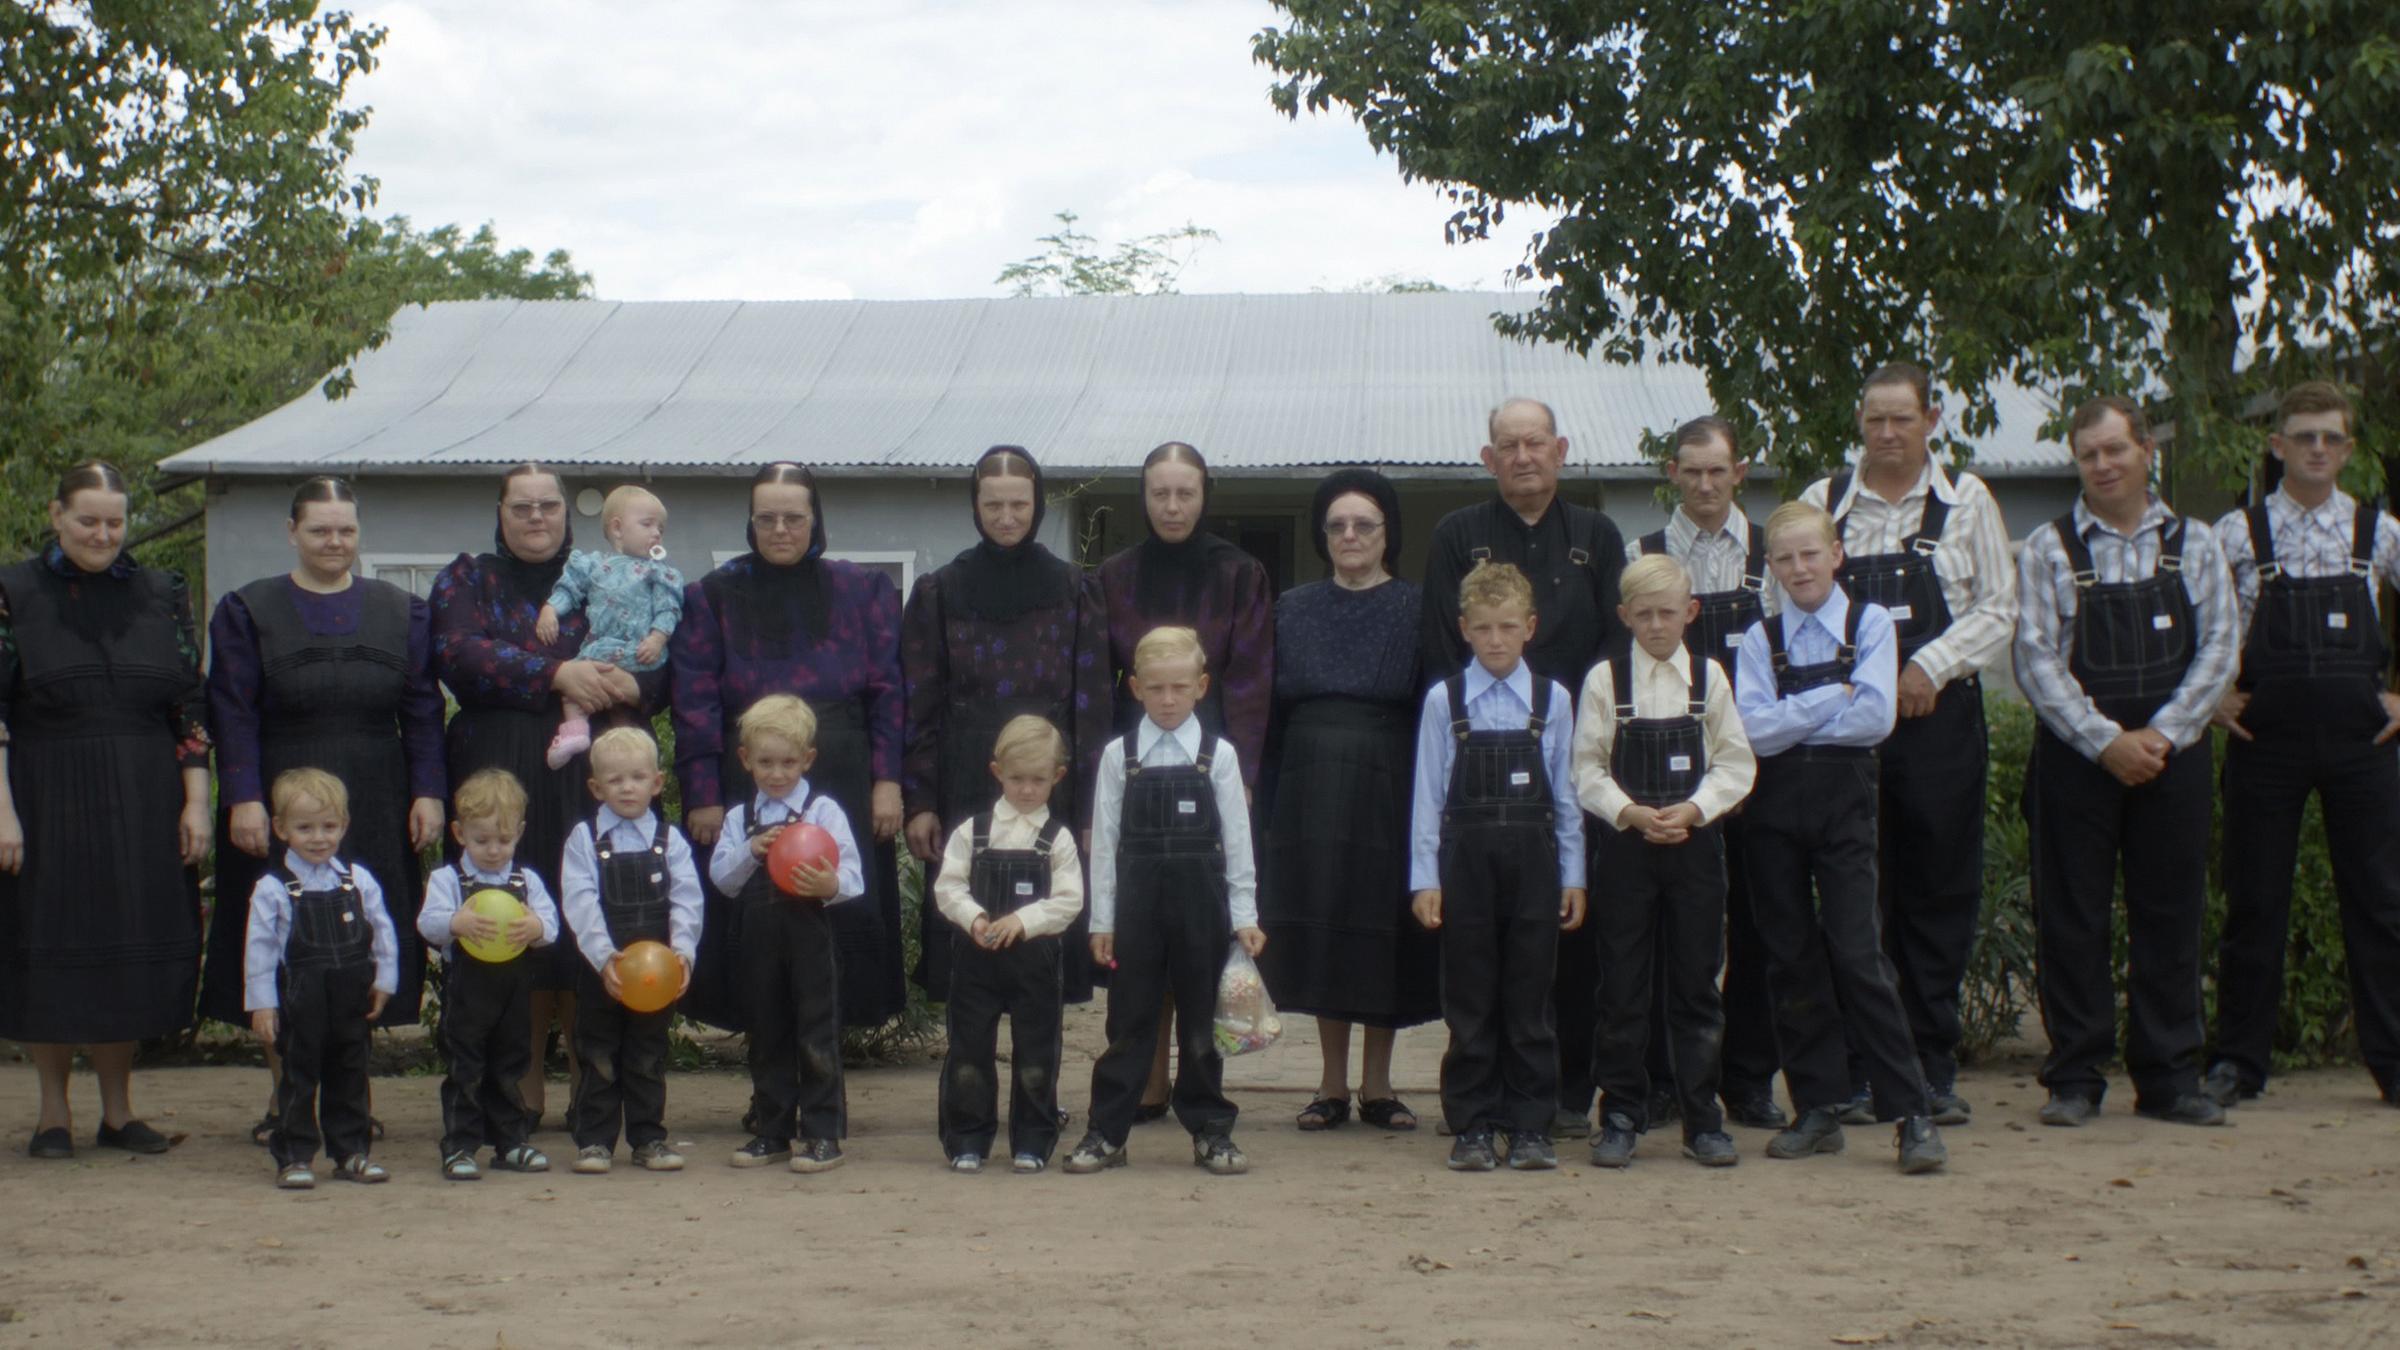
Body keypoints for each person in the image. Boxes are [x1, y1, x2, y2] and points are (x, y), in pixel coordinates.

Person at [1800, 362, 2017, 1126]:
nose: (1887, 434)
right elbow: (1785, 602)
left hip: (1938, 726)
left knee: (1936, 895)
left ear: (1931, 420)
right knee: (1858, 902)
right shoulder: (1822, 505)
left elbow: (1998, 608)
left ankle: (1930, 1065)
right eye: (1873, 420)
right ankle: (1859, 1069)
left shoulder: (1968, 503)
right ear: (1858, 423)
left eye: (1901, 419)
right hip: (1844, 733)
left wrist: (1929, 664)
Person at [201, 476, 446, 1146]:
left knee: (358, 943)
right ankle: (289, 1100)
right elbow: (231, 711)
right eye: (320, 530)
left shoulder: (402, 611)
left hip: (376, 790)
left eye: (346, 530)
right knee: (287, 946)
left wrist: (428, 790)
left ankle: (350, 1101)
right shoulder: (248, 610)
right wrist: (245, 798)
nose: (334, 542)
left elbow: (422, 708)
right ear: (292, 533)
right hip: (281, 795)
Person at [2015, 396, 2238, 1129]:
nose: (2104, 465)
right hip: (2080, 759)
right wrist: (2105, 741)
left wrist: (2163, 737)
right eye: (2088, 454)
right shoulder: (2048, 548)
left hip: (2174, 755)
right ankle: (2075, 1077)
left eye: (2115, 449)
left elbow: (2219, 652)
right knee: (2071, 915)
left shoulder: (2196, 542)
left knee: (2169, 916)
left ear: (2147, 450)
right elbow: (2036, 660)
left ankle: (2171, 1079)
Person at [431, 464, 670, 1128]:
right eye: (522, 507)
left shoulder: (613, 569)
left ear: (570, 514)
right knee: (515, 913)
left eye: (549, 507)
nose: (537, 518)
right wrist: (555, 670)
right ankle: (520, 1081)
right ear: (501, 513)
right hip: (499, 766)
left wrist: (631, 686)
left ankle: (589, 1081)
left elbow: (663, 658)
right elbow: (456, 652)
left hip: (595, 770)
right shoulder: (467, 577)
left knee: (586, 914)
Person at [1421, 398, 1624, 1139]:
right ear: (1489, 458)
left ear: (1560, 450)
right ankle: (1475, 1106)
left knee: (1561, 952)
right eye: (1508, 445)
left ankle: (1563, 1096)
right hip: (1478, 764)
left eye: (1536, 442)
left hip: (1572, 749)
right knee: (1474, 970)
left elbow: (1613, 645)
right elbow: (1441, 648)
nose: (1524, 456)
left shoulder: (1596, 536)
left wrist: (1587, 727)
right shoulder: (1456, 536)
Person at [1, 461, 211, 1161]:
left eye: (115, 521)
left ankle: (120, 1112)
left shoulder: (162, 592)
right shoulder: (12, 590)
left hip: (147, 794)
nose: (102, 533)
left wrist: (196, 803)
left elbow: (189, 706)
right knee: (51, 948)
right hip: (44, 791)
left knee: (130, 950)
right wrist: (2, 812)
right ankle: (52, 1114)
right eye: (87, 519)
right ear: (56, 514)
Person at [2205, 381, 2400, 1111]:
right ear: (2276, 444)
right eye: (2304, 436)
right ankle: (2237, 1063)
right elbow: (2198, 621)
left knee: (2381, 903)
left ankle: (2393, 1061)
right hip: (2267, 739)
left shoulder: (2377, 533)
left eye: (2331, 438)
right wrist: (2213, 696)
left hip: (2363, 741)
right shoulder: (2236, 534)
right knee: (2254, 901)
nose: (2318, 448)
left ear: (2349, 450)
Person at [1734, 503, 1945, 1173]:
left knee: (1858, 953)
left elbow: (1877, 720)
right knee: (1790, 955)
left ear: (1836, 554)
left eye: (1810, 554)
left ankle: (1912, 1113)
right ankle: (1818, 1108)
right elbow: (1752, 733)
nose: (1799, 568)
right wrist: (1832, 697)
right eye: (1784, 558)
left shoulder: (1871, 622)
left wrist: (1792, 714)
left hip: (1845, 803)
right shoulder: (1755, 639)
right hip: (1771, 811)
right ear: (1769, 567)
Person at [674, 463, 905, 1048]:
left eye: (793, 517)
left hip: (843, 773)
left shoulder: (861, 590)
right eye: (767, 518)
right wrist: (701, 795)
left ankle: (825, 1076)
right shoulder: (712, 595)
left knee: (833, 911)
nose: (780, 529)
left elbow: (887, 689)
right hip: (747, 775)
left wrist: (888, 781)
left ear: (815, 520)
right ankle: (769, 1071)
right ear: (751, 523)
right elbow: (694, 700)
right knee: (755, 921)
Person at [1095, 442, 1273, 1120]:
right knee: (1141, 943)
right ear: (1144, 497)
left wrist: (1245, 771)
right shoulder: (1113, 575)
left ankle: (1201, 1086)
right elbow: (1096, 673)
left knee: (1200, 938)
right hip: (1137, 756)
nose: (1173, 506)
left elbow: (1254, 676)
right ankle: (1145, 1079)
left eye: (1186, 493)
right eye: (1160, 493)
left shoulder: (1239, 573)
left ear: (1204, 497)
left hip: (1212, 754)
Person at [1259, 468, 1435, 1132]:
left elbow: (1429, 706)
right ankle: (1330, 1086)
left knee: (1380, 933)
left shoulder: (1418, 608)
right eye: (1338, 525)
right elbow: (1271, 714)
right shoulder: (1291, 608)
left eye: (1366, 524)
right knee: (1325, 928)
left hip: (1388, 779)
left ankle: (1379, 1087)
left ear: (1388, 533)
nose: (1351, 535)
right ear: (1322, 535)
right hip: (1307, 785)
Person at [902, 445, 1109, 1007]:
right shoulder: (938, 591)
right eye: (994, 505)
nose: (1007, 517)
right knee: (968, 937)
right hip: (967, 777)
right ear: (975, 507)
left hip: (1049, 779)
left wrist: (1090, 807)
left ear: (1037, 504)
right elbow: (919, 702)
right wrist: (919, 800)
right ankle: (969, 1083)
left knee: (1043, 940)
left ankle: (1037, 1091)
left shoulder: (1076, 590)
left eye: (1019, 504)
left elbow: (1092, 705)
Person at [1062, 626, 1266, 1177]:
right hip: (1136, 908)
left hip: (1203, 905)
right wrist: (1101, 920)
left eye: (1180, 687)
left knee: (1203, 1022)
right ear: (1135, 688)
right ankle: (1107, 1131)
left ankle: (1210, 1130)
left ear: (1201, 686)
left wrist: (1244, 914)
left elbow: (1238, 839)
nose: (1168, 699)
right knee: (1129, 1021)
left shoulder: (1217, 755)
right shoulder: (1117, 757)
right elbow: (1103, 844)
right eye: (1156, 688)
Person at [1574, 555, 1756, 1168]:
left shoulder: (1710, 678)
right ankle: (1622, 1113)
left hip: (1695, 852)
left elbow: (1736, 763)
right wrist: (1627, 811)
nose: (1656, 626)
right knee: (1622, 986)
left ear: (1691, 613)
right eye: (1643, 614)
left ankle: (1703, 1118)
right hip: (1626, 851)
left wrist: (1697, 809)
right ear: (1624, 616)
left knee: (1697, 985)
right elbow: (1587, 768)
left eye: (1667, 613)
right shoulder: (1606, 680)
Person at [1632, 417, 1786, 1130]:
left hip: (1758, 765)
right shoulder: (1643, 553)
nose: (1703, 484)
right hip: (1666, 780)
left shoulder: (1771, 557)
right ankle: (1666, 1078)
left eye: (1716, 470)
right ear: (1672, 472)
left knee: (1758, 923)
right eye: (1690, 470)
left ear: (1739, 472)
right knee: (1672, 937)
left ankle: (1749, 1077)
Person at [1408, 562, 1588, 1173]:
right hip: (1465, 863)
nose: (1495, 640)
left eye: (1508, 626)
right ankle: (1474, 1124)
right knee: (1470, 995)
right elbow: (1427, 794)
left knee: (1530, 995)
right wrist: (1425, 879)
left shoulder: (1554, 699)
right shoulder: (1445, 700)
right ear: (1464, 628)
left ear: (1530, 627)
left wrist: (1575, 876)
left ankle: (1532, 1124)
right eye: (1483, 627)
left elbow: (1567, 794)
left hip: (1537, 862)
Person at [710, 695, 864, 1174]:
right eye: (765, 763)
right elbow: (722, 879)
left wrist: (829, 884)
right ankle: (771, 1132)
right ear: (745, 760)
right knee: (767, 1034)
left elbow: (854, 879)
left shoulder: (823, 811)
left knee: (816, 1033)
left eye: (788, 763)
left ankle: (822, 1134)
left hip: (810, 938)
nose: (776, 774)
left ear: (808, 760)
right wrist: (751, 852)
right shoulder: (740, 819)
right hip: (759, 940)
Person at [931, 715, 1085, 1173]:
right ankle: (967, 1140)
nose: (1026, 790)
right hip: (976, 958)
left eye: (1038, 780)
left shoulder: (1056, 839)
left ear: (1057, 777)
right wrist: (974, 918)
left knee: (1037, 1052)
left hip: (1034, 959)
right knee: (969, 1051)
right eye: (1016, 779)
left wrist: (1023, 920)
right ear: (997, 772)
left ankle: (1033, 1140)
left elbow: (1069, 900)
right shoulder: (973, 832)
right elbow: (948, 887)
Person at [242, 768, 399, 1189]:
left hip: (351, 998)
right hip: (302, 1000)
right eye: (305, 828)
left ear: (344, 826)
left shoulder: (357, 880)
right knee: (298, 1076)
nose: (318, 837)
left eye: (329, 827)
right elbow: (259, 950)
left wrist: (385, 981)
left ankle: (351, 1153)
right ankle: (293, 1155)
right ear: (280, 829)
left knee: (351, 1072)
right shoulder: (274, 889)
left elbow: (382, 931)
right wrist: (262, 1003)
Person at [560, 727, 702, 1175]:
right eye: (615, 779)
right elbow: (579, 901)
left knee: (647, 1056)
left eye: (637, 777)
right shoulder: (584, 839)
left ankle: (649, 1140)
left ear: (657, 783)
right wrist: (603, 957)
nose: (626, 787)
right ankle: (595, 1142)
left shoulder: (669, 839)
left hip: (656, 975)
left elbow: (687, 898)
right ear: (595, 787)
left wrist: (683, 952)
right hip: (606, 970)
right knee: (598, 1053)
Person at [417, 768, 561, 1179]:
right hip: (467, 994)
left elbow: (551, 927)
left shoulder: (526, 880)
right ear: (460, 833)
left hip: (513, 993)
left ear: (520, 832)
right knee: (466, 1067)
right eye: (482, 840)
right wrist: (454, 923)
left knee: (510, 1065)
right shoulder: (449, 879)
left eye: (504, 840)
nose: (494, 850)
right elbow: (427, 924)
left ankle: (511, 1142)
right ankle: (460, 1146)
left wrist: (535, 928)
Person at [535, 484, 684, 769]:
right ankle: (576, 732)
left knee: (620, 700)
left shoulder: (659, 571)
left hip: (639, 650)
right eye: (647, 524)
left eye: (660, 529)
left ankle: (637, 752)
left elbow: (669, 607)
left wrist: (658, 637)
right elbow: (569, 590)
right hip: (602, 647)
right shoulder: (593, 564)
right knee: (573, 687)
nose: (656, 533)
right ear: (617, 529)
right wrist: (550, 609)